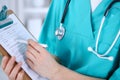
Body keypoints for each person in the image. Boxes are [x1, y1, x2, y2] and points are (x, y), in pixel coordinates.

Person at [1, 0, 120, 80]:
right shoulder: (63, 2)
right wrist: (26, 71)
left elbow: (52, 69)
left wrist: (56, 72)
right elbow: (49, 56)